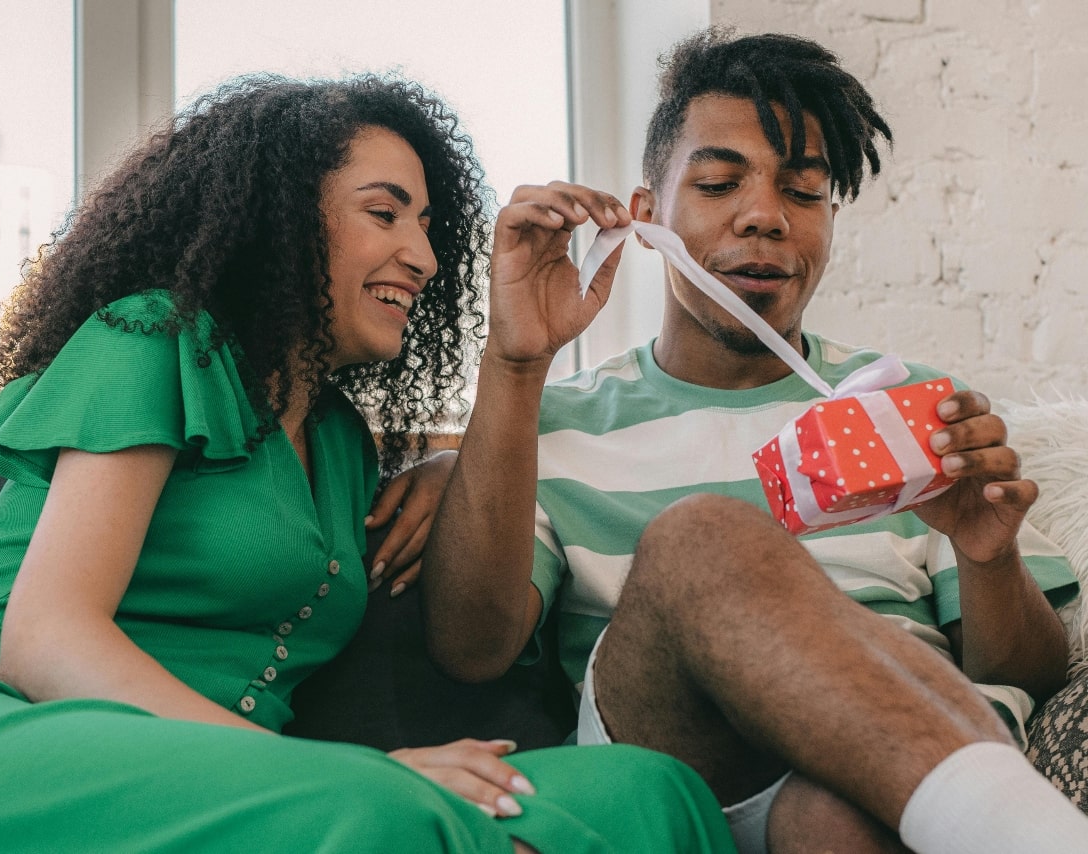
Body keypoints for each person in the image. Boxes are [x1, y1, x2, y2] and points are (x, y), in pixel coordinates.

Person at [0, 74, 736, 852]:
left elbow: (472, 622)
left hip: (225, 790)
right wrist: (336, 771)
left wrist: (467, 445)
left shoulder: (338, 441)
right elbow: (45, 639)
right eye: (384, 213)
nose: (420, 256)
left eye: (426, 226)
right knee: (380, 810)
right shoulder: (151, 339)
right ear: (281, 217)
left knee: (651, 797)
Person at [421, 29, 1088, 854]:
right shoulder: (553, 425)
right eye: (717, 182)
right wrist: (515, 364)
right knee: (702, 538)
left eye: (804, 194)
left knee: (833, 821)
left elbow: (1030, 677)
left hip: (891, 784)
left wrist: (989, 557)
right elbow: (470, 649)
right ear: (646, 215)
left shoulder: (905, 406)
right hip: (678, 757)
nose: (766, 216)